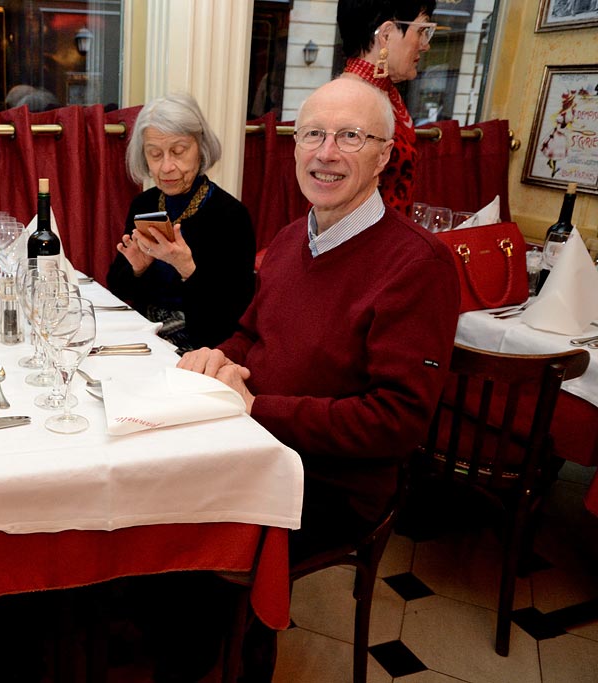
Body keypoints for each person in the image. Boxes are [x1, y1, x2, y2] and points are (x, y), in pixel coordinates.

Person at [177, 77, 460, 680]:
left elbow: (396, 421)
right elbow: (250, 334)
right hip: (256, 442)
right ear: (295, 146)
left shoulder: (418, 265)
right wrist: (215, 361)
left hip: (334, 481)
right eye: (313, 134)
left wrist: (254, 407)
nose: (326, 152)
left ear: (385, 155)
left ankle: (225, 661)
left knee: (191, 539)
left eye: (351, 136)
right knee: (149, 496)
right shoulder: (288, 239)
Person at [106, 92, 256, 352]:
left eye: (178, 152)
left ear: (200, 148)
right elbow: (117, 287)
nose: (166, 167)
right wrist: (137, 269)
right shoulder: (144, 205)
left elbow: (229, 321)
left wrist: (188, 270)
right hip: (144, 332)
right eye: (154, 154)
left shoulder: (231, 215)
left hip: (200, 344)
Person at [337, 0, 438, 216]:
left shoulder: (384, 91)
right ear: (386, 35)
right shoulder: (351, 101)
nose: (425, 44)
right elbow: (339, 203)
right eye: (422, 31)